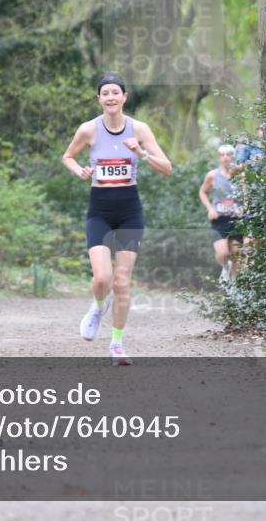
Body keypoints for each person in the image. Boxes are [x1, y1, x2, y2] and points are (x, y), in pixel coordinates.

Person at [61, 73, 172, 365]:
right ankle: (98, 306)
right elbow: (68, 157)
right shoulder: (88, 129)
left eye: (115, 92)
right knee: (102, 278)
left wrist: (142, 153)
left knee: (122, 281)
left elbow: (167, 167)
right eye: (105, 93)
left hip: (129, 211)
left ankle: (117, 344)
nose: (110, 97)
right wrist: (80, 171)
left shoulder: (139, 128)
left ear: (125, 97)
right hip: (99, 210)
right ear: (99, 99)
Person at [199, 145, 244, 282]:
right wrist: (210, 209)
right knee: (223, 253)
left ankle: (234, 286)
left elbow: (247, 194)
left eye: (228, 154)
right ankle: (225, 267)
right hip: (219, 219)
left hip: (237, 219)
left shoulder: (240, 175)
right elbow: (202, 192)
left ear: (233, 157)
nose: (225, 158)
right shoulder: (212, 175)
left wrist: (244, 207)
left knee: (236, 254)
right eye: (222, 155)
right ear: (219, 158)